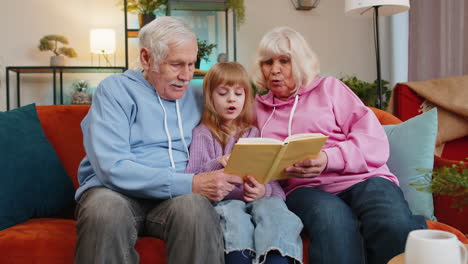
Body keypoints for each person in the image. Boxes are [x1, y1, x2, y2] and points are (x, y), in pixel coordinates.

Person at [74, 17, 243, 264]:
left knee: (196, 209)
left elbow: (236, 121)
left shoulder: (197, 96)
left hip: (173, 202)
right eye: (176, 64)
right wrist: (190, 183)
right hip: (115, 194)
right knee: (104, 210)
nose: (186, 75)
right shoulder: (115, 91)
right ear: (146, 58)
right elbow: (112, 167)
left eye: (191, 64)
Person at [252, 26, 427, 264]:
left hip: (363, 178)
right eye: (267, 62)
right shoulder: (257, 108)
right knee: (333, 221)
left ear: (301, 62)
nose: (275, 70)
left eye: (285, 61)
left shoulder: (330, 89)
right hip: (304, 189)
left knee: (392, 220)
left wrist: (327, 159)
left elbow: (373, 141)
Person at [186, 62, 303, 264]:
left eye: (238, 94)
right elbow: (191, 178)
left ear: (246, 98)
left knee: (273, 208)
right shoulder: (202, 134)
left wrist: (262, 190)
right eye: (223, 93)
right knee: (233, 214)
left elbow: (274, 187)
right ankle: (238, 257)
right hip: (224, 204)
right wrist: (218, 163)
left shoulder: (253, 133)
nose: (231, 99)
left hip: (258, 202)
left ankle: (277, 257)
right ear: (210, 97)